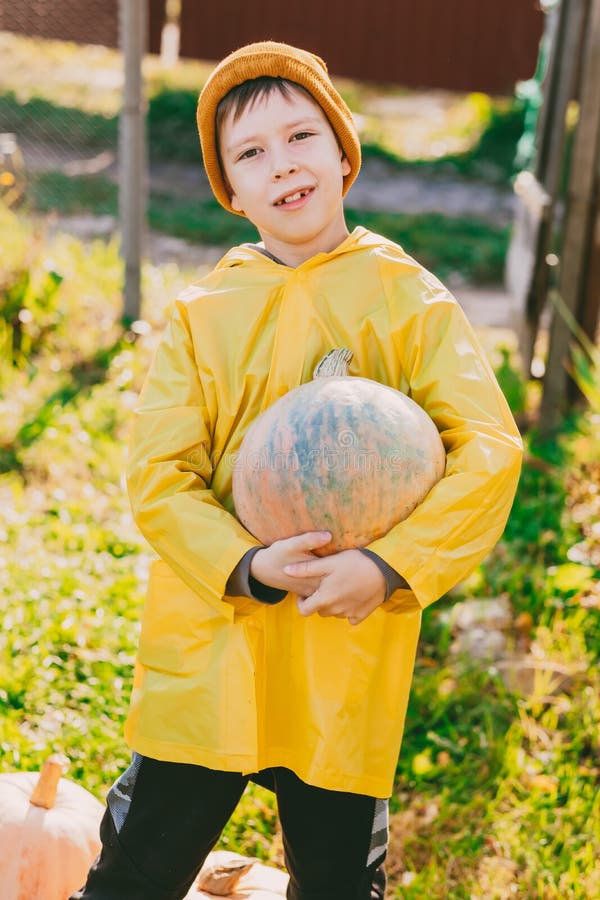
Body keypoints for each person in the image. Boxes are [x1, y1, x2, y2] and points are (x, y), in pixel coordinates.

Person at [71, 40, 523, 900]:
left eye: (301, 137)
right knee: (136, 873)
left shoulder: (407, 298)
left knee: (339, 885)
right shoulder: (203, 315)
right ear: (229, 192)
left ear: (343, 151)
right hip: (213, 651)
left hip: (344, 651)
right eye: (250, 153)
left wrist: (389, 565)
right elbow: (160, 475)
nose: (282, 165)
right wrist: (243, 564)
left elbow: (489, 450)